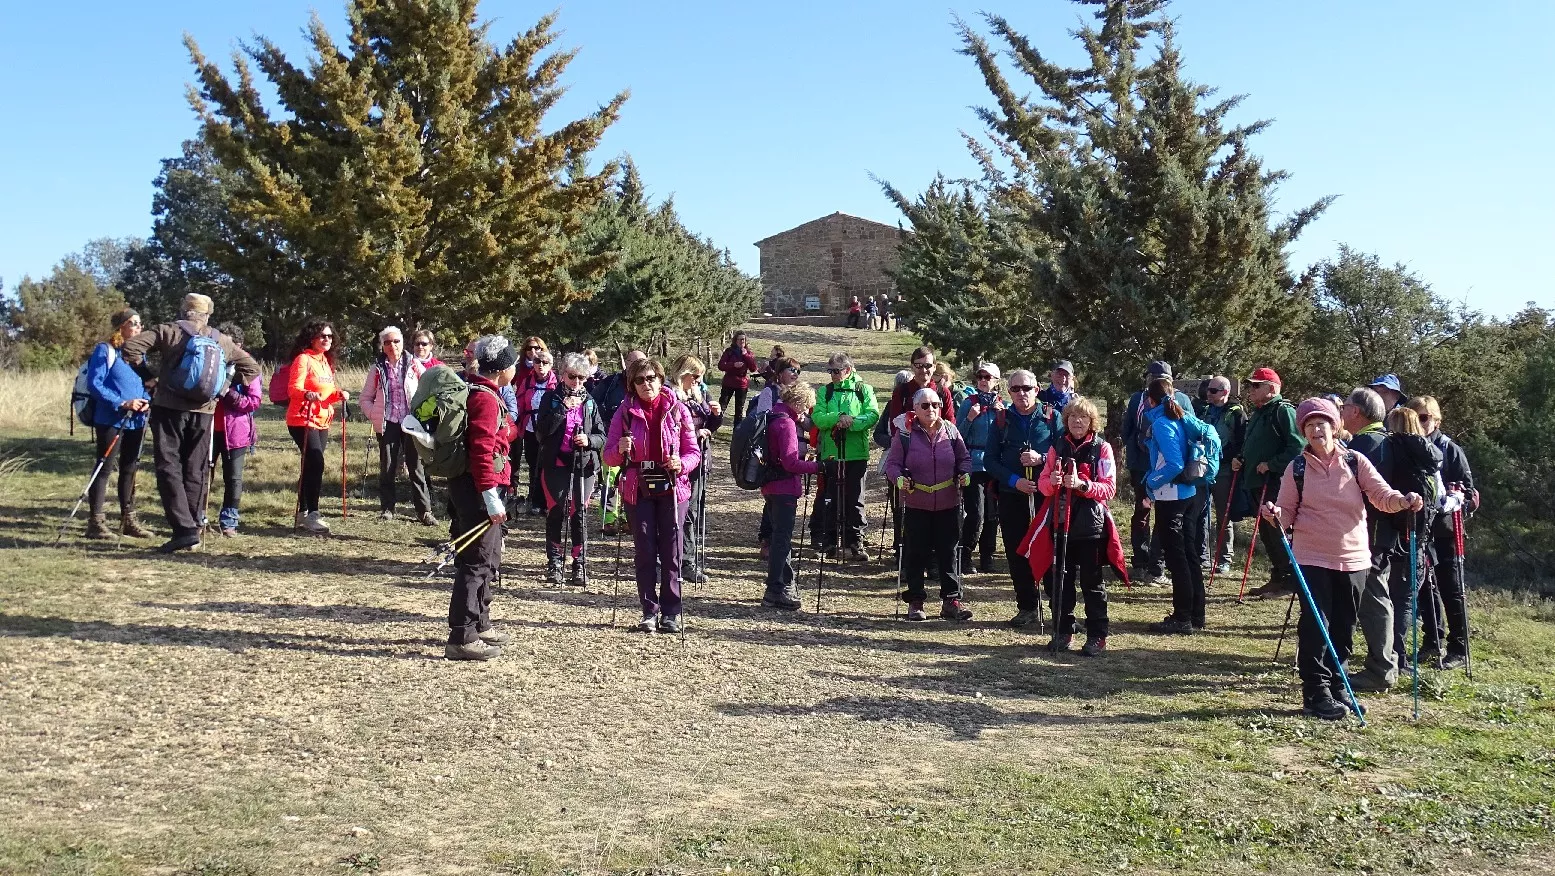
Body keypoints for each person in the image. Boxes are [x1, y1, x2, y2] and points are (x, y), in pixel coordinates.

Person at [1261, 397, 1422, 719]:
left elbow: (1381, 496)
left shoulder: (1355, 461)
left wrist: (1403, 501)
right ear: (1304, 432)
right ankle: (1315, 694)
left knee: (1345, 628)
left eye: (1322, 423)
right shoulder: (1298, 467)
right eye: (1309, 425)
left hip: (1355, 559)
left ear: (1334, 427)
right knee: (1316, 628)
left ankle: (1337, 687)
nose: (1316, 429)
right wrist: (1274, 514)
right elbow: (1286, 513)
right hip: (1312, 557)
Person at [121, 293, 261, 553]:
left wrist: (149, 378)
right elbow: (252, 368)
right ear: (208, 314)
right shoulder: (222, 340)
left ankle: (183, 529)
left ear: (184, 309)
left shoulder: (168, 331)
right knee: (196, 468)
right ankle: (194, 526)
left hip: (169, 407)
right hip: (205, 411)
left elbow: (130, 349)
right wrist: (223, 387)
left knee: (168, 466)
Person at [604, 357, 702, 634]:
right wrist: (620, 448)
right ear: (631, 385)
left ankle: (672, 612)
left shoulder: (678, 410)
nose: (646, 384)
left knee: (672, 552)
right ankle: (649, 611)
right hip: (638, 486)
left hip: (673, 487)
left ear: (660, 379)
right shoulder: (623, 413)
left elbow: (693, 452)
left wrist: (681, 463)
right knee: (645, 552)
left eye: (651, 378)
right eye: (639, 379)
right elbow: (609, 457)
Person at [444, 335, 520, 661]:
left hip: (473, 486)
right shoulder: (486, 399)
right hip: (478, 490)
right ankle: (462, 636)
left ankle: (480, 622)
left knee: (487, 558)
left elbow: (494, 438)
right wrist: (491, 495)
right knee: (475, 561)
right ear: (503, 368)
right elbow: (481, 451)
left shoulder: (482, 392)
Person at [1033, 396, 1124, 655]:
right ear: (1066, 420)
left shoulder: (1102, 448)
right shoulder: (1056, 447)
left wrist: (1083, 486)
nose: (1077, 421)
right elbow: (1043, 485)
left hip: (1090, 527)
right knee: (1059, 582)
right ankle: (1064, 631)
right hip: (1060, 524)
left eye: (1082, 417)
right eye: (1072, 417)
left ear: (1091, 421)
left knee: (1092, 583)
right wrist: (1052, 480)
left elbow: (1109, 488)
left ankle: (1097, 635)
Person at [884, 387, 974, 621]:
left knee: (949, 552)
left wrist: (964, 473)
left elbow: (964, 458)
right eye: (925, 405)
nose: (931, 409)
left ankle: (951, 600)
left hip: (948, 502)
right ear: (914, 409)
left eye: (935, 405)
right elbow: (892, 464)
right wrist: (899, 479)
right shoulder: (905, 434)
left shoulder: (951, 431)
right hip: (916, 503)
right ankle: (915, 601)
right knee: (916, 553)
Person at [984, 368, 1059, 627]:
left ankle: (1059, 607)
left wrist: (1041, 460)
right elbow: (989, 460)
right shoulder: (1002, 420)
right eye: (1015, 389)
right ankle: (1027, 607)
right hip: (1011, 496)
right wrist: (1015, 481)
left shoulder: (1052, 418)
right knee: (1018, 552)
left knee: (1050, 550)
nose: (1021, 394)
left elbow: (1065, 453)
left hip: (1045, 497)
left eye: (1026, 388)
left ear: (1036, 390)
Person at [1139, 377, 1209, 634]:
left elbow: (1173, 464)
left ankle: (1182, 618)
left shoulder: (1161, 423)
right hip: (1189, 494)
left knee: (1177, 558)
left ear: (1150, 400)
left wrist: (1151, 483)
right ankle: (1195, 614)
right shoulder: (1180, 418)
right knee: (1188, 556)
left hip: (1172, 497)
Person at [1410, 395, 1475, 671]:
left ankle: (1459, 648)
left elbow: (1469, 492)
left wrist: (1453, 498)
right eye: (1415, 416)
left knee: (1451, 588)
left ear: (1436, 420)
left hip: (1446, 529)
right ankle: (1432, 640)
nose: (1420, 422)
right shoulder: (1407, 446)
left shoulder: (1450, 449)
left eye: (1425, 417)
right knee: (1425, 586)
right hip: (1419, 528)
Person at [1339, 386, 1397, 691]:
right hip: (1382, 534)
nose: (1342, 411)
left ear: (1356, 412)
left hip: (1368, 536)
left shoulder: (1363, 446)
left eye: (1345, 406)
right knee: (1377, 598)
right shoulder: (1384, 441)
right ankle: (1385, 662)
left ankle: (1381, 670)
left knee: (1373, 600)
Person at [1380, 406, 1445, 673]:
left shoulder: (1390, 447)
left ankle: (1396, 654)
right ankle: (1400, 654)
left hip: (1395, 529)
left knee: (1398, 596)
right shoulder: (1429, 455)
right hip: (1419, 532)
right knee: (1406, 596)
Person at [535, 353, 606, 587]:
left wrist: (589, 440)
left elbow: (602, 436)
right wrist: (562, 410)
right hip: (555, 464)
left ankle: (579, 562)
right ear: (563, 374)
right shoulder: (551, 398)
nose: (577, 382)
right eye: (572, 376)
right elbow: (541, 433)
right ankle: (554, 561)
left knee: (579, 513)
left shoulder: (591, 402)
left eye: (582, 378)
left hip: (583, 464)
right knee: (556, 510)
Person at [1120, 362, 1195, 583]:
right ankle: (1141, 562)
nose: (1154, 380)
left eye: (1160, 377)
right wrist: (1137, 450)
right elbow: (1127, 429)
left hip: (1167, 469)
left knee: (1164, 516)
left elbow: (1190, 430)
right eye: (1152, 376)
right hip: (1142, 465)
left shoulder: (1181, 400)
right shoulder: (1137, 399)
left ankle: (1157, 565)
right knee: (1142, 512)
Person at [83, 308, 153, 540]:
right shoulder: (106, 350)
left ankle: (128, 520)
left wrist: (146, 401)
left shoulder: (140, 354)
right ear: (120, 326)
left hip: (137, 419)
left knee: (130, 468)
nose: (138, 327)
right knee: (104, 468)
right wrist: (122, 402)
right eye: (133, 323)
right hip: (110, 418)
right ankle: (96, 522)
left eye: (140, 324)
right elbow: (95, 384)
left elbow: (146, 384)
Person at [1236, 367, 1304, 599]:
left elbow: (1297, 447)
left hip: (1275, 482)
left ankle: (1289, 580)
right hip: (1256, 481)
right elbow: (1253, 443)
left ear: (1272, 388)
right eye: (1250, 385)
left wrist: (1272, 464)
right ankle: (1278, 577)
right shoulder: (1259, 412)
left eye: (1256, 385)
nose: (1251, 390)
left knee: (1278, 530)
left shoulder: (1283, 411)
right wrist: (1241, 458)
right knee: (1266, 531)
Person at [809, 352, 880, 562]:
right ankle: (829, 541)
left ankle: (855, 541)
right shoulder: (825, 392)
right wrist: (838, 418)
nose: (832, 374)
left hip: (856, 453)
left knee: (855, 498)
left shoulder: (863, 390)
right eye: (830, 370)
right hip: (831, 454)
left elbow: (872, 414)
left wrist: (852, 422)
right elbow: (818, 417)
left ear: (848, 370)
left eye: (836, 371)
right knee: (830, 498)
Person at [360, 325, 435, 525]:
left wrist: (424, 416)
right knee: (388, 467)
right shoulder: (377, 368)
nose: (392, 345)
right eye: (387, 342)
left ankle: (424, 512)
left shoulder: (414, 365)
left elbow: (429, 393)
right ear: (382, 346)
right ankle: (387, 509)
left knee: (416, 468)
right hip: (388, 422)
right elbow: (365, 398)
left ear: (402, 343)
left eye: (396, 341)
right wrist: (374, 415)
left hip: (412, 423)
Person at [282, 319, 348, 534]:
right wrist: (306, 394)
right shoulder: (303, 359)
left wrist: (339, 395)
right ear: (312, 338)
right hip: (302, 418)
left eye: (330, 336)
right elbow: (293, 389)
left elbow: (327, 391)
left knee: (311, 465)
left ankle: (303, 512)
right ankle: (313, 513)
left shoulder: (325, 362)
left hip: (322, 420)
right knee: (316, 462)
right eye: (322, 336)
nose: (327, 339)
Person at [761, 381, 822, 610]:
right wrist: (819, 467)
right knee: (782, 539)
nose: (806, 413)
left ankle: (783, 584)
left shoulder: (773, 416)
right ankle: (775, 589)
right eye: (806, 407)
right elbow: (790, 463)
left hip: (771, 485)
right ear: (797, 403)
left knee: (780, 536)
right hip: (784, 487)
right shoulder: (786, 424)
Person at [672, 354, 724, 584]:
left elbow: (711, 427)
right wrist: (695, 433)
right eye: (695, 376)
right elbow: (672, 430)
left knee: (694, 511)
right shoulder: (671, 396)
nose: (698, 380)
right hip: (679, 462)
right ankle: (679, 561)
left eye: (700, 376)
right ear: (682, 374)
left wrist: (716, 416)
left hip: (700, 459)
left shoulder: (699, 394)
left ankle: (688, 560)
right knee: (680, 513)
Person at [211, 323, 263, 537]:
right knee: (202, 475)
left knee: (233, 478)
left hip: (236, 431)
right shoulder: (211, 361)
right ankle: (197, 518)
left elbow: (254, 401)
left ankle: (229, 520)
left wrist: (228, 393)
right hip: (208, 427)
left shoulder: (249, 367)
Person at [752, 356, 805, 559]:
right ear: (780, 372)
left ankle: (781, 542)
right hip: (773, 453)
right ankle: (767, 540)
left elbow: (808, 424)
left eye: (798, 371)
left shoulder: (797, 395)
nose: (795, 374)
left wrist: (801, 418)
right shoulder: (770, 391)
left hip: (793, 451)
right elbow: (761, 417)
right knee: (773, 499)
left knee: (783, 501)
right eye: (791, 370)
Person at [955, 363, 1005, 574]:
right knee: (976, 512)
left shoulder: (1003, 406)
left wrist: (1003, 419)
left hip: (994, 465)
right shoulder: (969, 404)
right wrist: (969, 418)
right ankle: (965, 556)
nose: (983, 380)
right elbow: (957, 434)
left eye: (988, 377)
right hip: (974, 464)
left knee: (993, 513)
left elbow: (1006, 438)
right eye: (980, 376)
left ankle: (988, 556)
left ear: (996, 381)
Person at [591, 349, 647, 536]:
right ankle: (609, 520)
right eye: (631, 362)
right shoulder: (610, 383)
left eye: (639, 362)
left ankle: (628, 518)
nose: (634, 366)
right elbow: (594, 404)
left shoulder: (646, 385)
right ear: (625, 363)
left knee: (632, 481)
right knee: (610, 480)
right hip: (612, 439)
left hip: (640, 444)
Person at [1199, 376, 1246, 574]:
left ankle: (1223, 558)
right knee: (1201, 513)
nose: (1208, 394)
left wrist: (1238, 458)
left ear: (1225, 392)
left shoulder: (1236, 413)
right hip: (1203, 469)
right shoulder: (1205, 411)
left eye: (1213, 391)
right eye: (1208, 390)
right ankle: (1202, 555)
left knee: (1223, 515)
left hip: (1225, 470)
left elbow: (1243, 440)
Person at [513, 345, 557, 516]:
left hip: (550, 430)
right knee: (533, 465)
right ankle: (535, 500)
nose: (541, 365)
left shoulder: (556, 383)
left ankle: (549, 501)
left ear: (550, 365)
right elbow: (519, 403)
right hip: (531, 428)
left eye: (545, 362)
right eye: (537, 361)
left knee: (548, 465)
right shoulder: (527, 382)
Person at [717, 331, 759, 432]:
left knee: (739, 409)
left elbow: (753, 368)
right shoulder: (729, 351)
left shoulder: (748, 353)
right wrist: (733, 365)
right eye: (740, 339)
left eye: (743, 339)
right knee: (722, 406)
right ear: (735, 340)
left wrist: (746, 356)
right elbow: (721, 365)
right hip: (729, 381)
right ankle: (714, 427)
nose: (742, 341)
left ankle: (737, 433)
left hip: (742, 384)